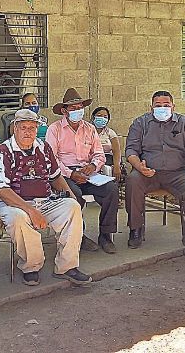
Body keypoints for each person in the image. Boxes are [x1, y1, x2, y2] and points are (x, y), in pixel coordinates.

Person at [0, 109, 92, 286]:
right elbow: (1, 189)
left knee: (72, 207)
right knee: (19, 217)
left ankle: (67, 267)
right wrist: (31, 211)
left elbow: (55, 176)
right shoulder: (3, 150)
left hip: (45, 201)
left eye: (32, 128)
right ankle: (31, 266)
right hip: (12, 203)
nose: (28, 132)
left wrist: (70, 196)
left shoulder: (43, 147)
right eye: (23, 127)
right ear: (14, 128)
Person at [123, 91, 185, 257]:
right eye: (158, 106)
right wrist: (139, 166)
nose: (162, 109)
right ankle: (136, 229)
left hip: (178, 173)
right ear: (151, 107)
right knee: (132, 181)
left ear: (173, 107)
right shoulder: (140, 123)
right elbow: (131, 149)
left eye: (166, 105)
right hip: (147, 172)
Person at [45, 88, 119, 254]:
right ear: (64, 111)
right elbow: (51, 159)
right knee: (74, 195)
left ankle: (105, 235)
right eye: (73, 108)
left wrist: (93, 166)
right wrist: (71, 174)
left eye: (80, 107)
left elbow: (99, 154)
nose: (78, 111)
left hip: (88, 173)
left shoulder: (90, 128)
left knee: (112, 190)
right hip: (65, 175)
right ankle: (80, 235)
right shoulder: (54, 129)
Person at [91, 106, 123, 181]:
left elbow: (116, 151)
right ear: (93, 117)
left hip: (108, 159)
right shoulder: (87, 131)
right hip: (92, 159)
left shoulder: (110, 133)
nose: (102, 118)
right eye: (99, 116)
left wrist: (117, 166)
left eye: (105, 117)